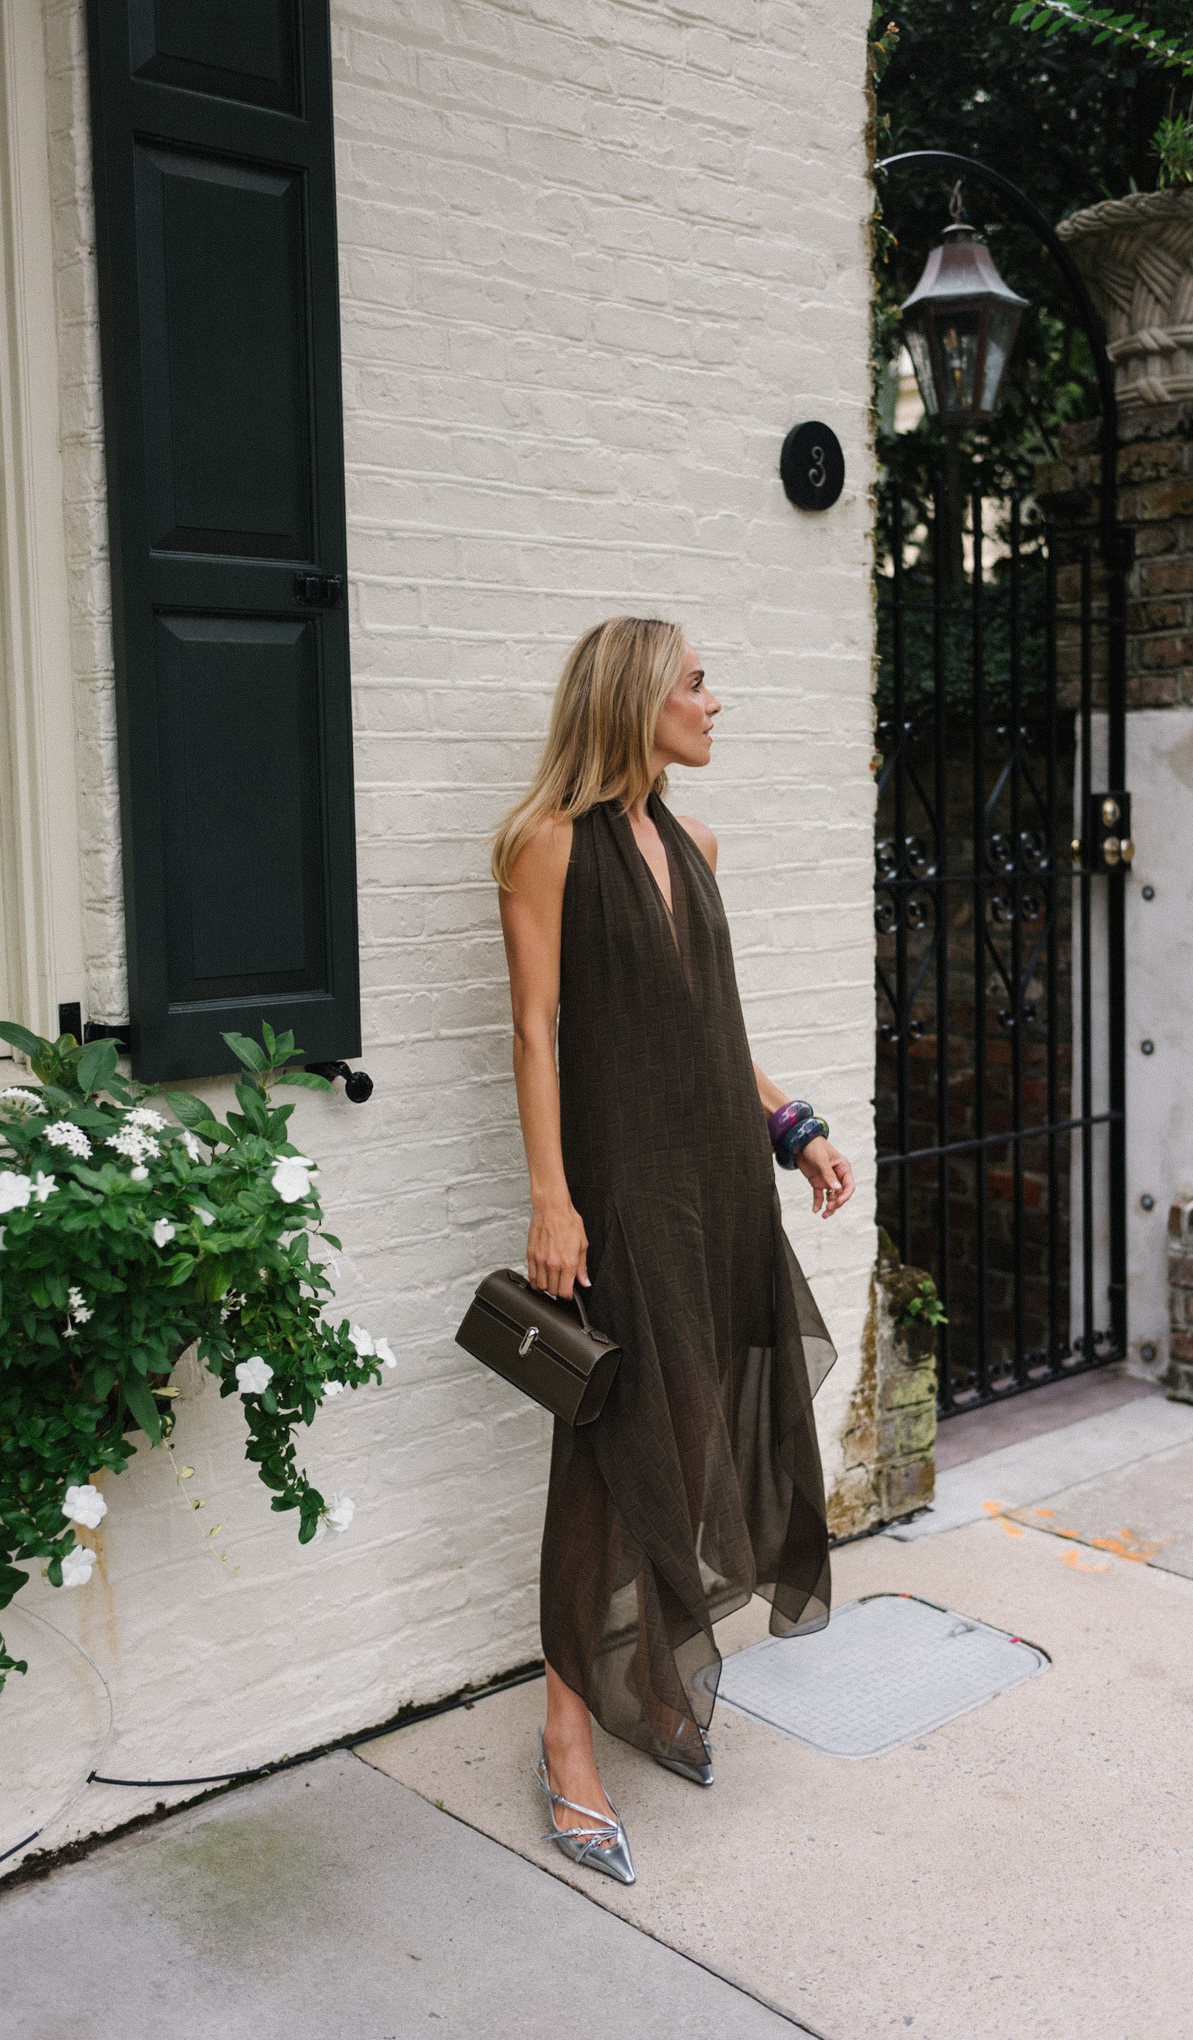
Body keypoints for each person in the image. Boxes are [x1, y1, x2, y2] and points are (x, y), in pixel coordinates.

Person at [492, 617, 854, 1885]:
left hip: (717, 1180)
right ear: (635, 696)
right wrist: (552, 1197)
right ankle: (564, 1730)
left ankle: (654, 1669)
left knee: (696, 1429)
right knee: (607, 1453)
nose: (716, 699)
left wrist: (791, 1127)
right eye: (696, 681)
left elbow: (717, 1027)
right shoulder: (543, 846)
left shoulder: (697, 844)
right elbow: (535, 1031)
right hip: (623, 1189)